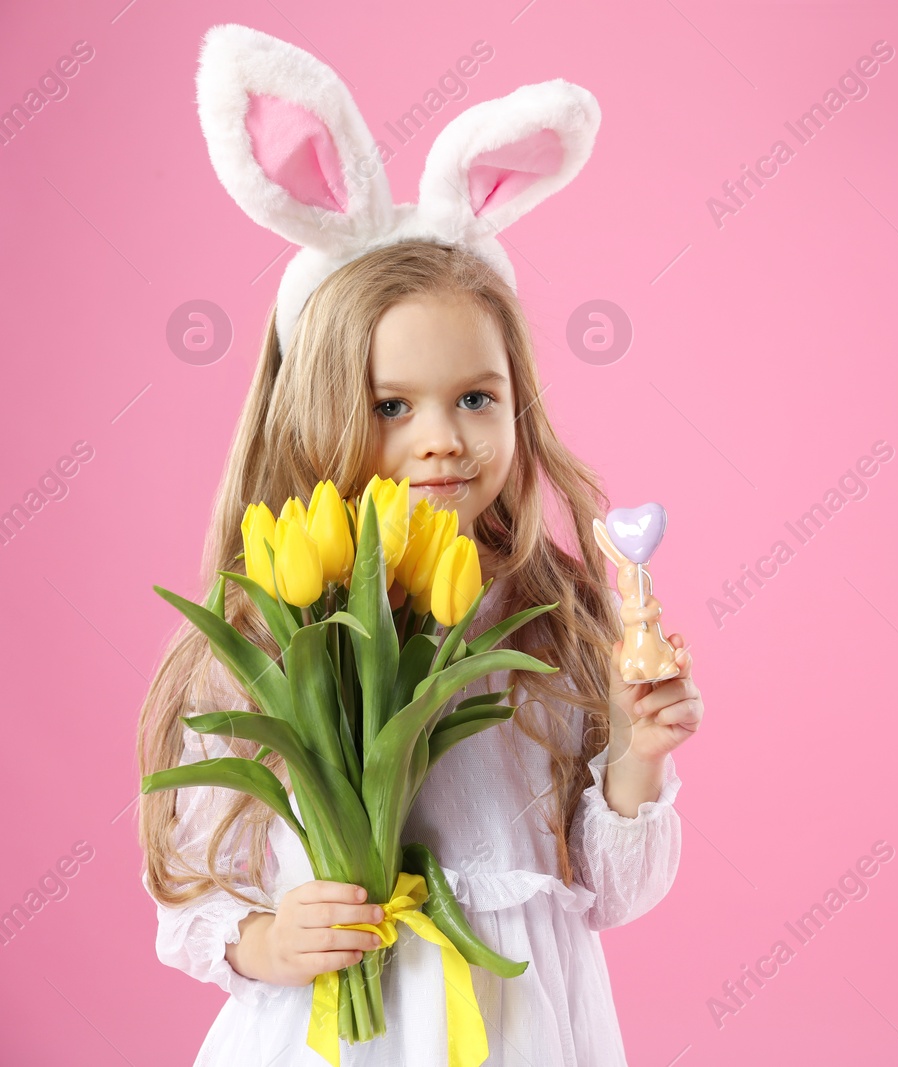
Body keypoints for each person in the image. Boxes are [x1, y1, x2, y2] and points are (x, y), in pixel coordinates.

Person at [135, 24, 704, 1065]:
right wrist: (268, 936)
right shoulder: (270, 631)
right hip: (338, 1033)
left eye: (475, 397)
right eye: (390, 404)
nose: (440, 436)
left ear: (517, 402)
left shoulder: (549, 614)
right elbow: (190, 900)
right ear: (312, 415)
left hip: (523, 1025)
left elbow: (610, 892)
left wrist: (635, 755)